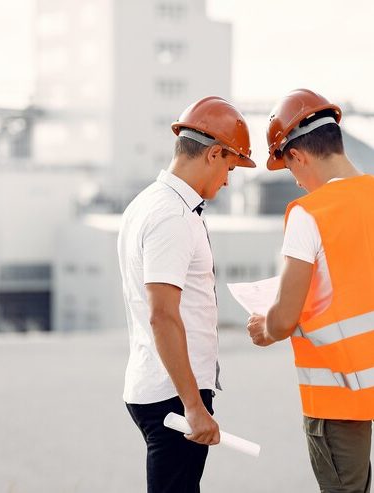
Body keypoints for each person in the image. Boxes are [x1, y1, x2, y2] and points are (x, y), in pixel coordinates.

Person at [117, 96, 256, 492]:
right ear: (214, 154)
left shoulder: (146, 204)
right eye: (230, 167)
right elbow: (162, 314)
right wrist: (194, 407)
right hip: (174, 395)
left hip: (161, 385)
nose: (228, 180)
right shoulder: (173, 217)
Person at [247, 88, 374, 493]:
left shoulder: (309, 215)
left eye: (290, 170)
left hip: (338, 395)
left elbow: (284, 319)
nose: (297, 183)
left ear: (298, 156)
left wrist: (264, 327)